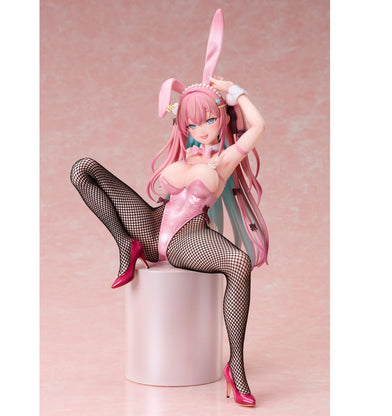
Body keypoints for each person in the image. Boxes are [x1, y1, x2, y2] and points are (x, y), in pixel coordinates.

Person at [70, 10, 268, 407]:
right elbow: (173, 145)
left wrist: (234, 92)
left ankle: (237, 367)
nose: (201, 130)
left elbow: (259, 127)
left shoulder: (223, 160)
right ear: (184, 127)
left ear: (220, 120)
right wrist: (184, 113)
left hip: (187, 239)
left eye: (208, 121)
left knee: (238, 263)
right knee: (83, 169)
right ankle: (124, 244)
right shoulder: (182, 153)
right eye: (192, 125)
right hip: (151, 223)